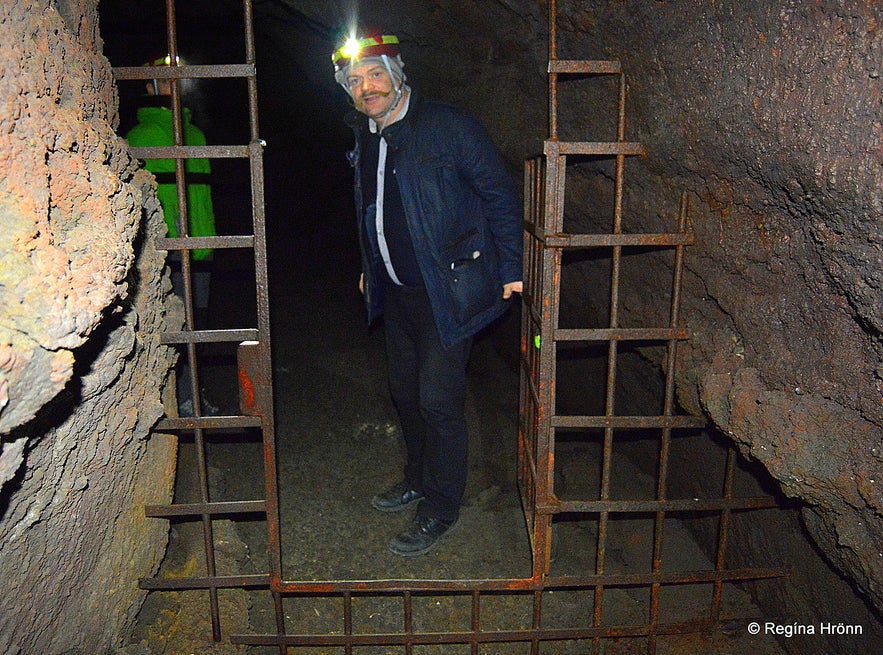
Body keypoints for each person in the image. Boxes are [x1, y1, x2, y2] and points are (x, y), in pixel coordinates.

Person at [332, 30, 523, 557]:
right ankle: (417, 477)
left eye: (374, 74)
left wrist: (512, 265)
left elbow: (499, 194)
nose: (366, 87)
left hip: (448, 289)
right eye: (354, 80)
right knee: (403, 391)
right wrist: (372, 267)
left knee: (438, 402)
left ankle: (440, 507)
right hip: (396, 293)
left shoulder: (449, 126)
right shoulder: (366, 135)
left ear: (397, 73)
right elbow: (372, 211)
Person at [125, 54, 218, 416]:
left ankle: (192, 394)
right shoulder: (142, 135)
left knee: (198, 328)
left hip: (200, 249)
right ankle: (179, 401)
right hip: (168, 253)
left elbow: (204, 197)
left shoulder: (194, 133)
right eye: (163, 80)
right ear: (148, 88)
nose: (171, 86)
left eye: (177, 79)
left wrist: (209, 241)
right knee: (175, 329)